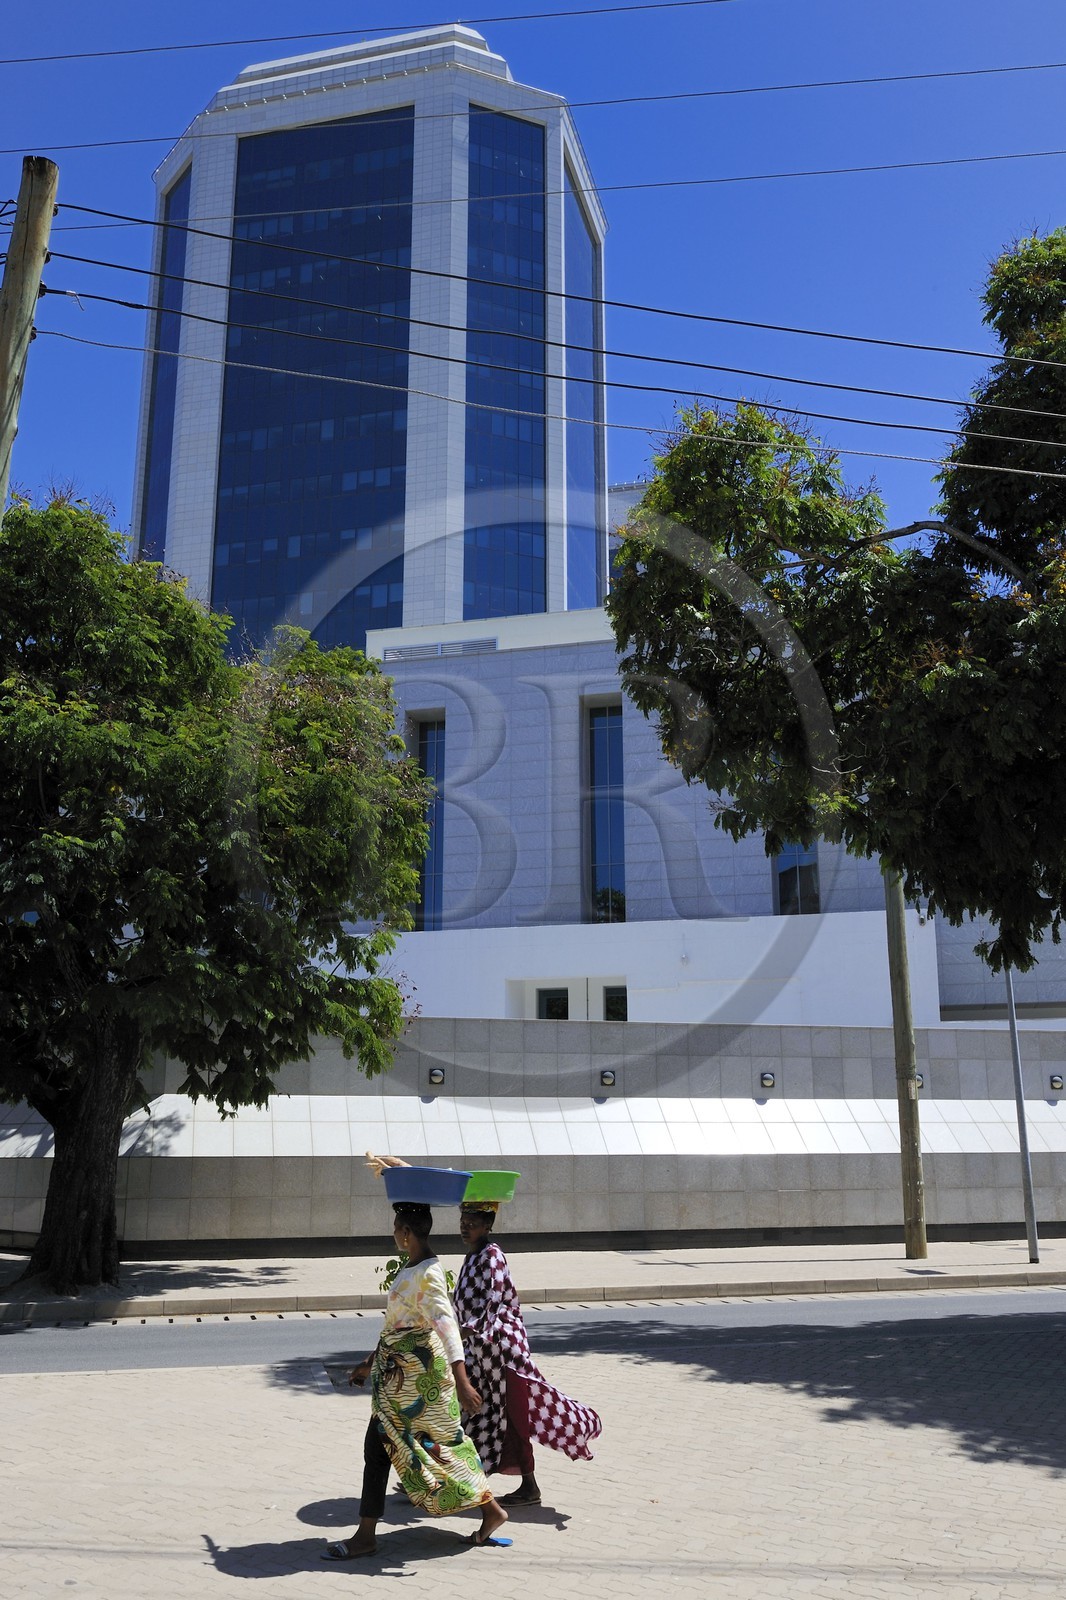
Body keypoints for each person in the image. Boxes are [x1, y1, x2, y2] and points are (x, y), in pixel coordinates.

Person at [323, 1201, 510, 1559]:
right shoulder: (413, 1267)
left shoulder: (428, 1272)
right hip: (400, 1376)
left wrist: (462, 1380)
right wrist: (369, 1362)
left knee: (420, 1449)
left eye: (396, 1227)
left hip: (416, 1384)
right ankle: (490, 1510)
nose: (394, 1233)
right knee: (402, 1449)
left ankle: (366, 1536)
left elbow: (446, 1325)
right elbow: (399, 1327)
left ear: (406, 1233)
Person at [454, 1201, 602, 1505]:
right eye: (463, 1220)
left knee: (513, 1419)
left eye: (472, 1221)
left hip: (504, 1354)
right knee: (472, 1415)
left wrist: (460, 1332)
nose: (465, 1226)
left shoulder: (492, 1255)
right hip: (479, 1355)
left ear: (488, 1225)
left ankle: (529, 1487)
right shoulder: (471, 1257)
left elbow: (492, 1303)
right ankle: (451, 1476)